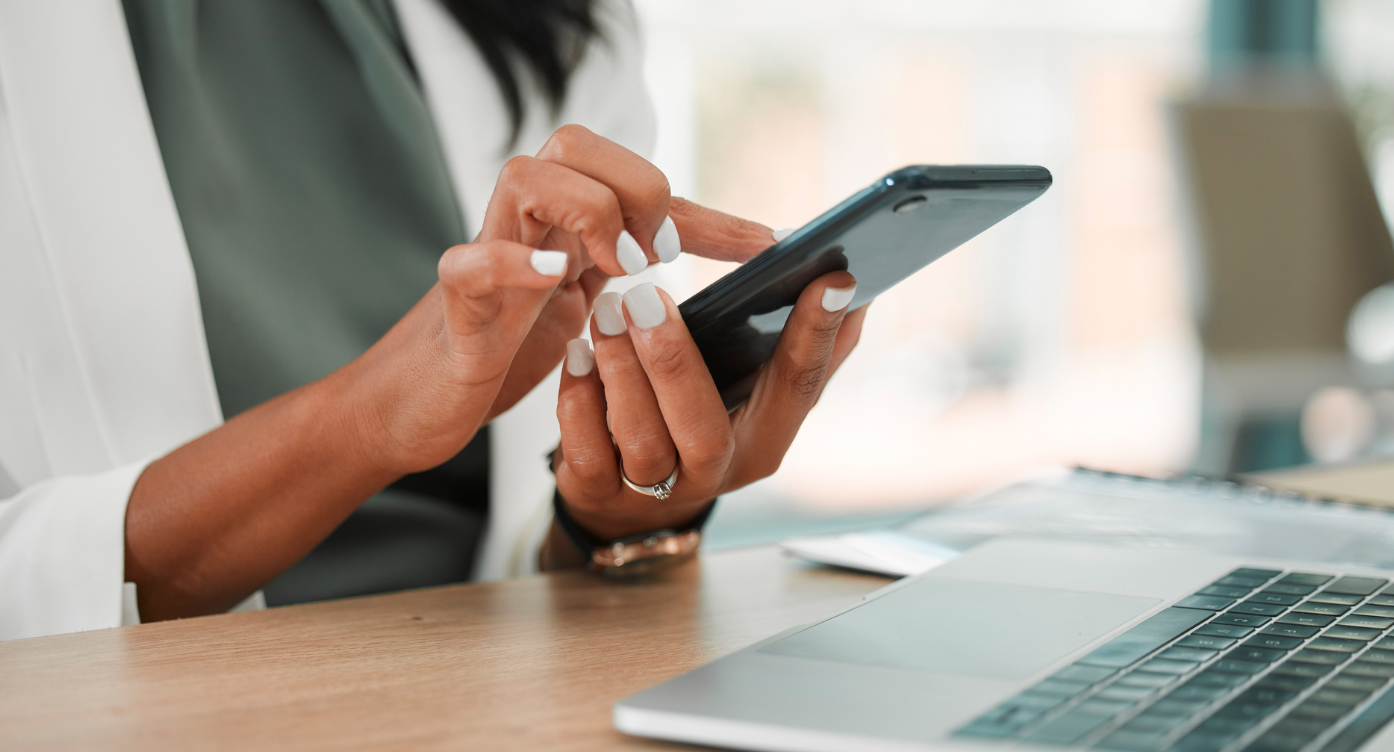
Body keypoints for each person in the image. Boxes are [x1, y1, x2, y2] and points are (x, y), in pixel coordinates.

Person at [0, 0, 865, 639]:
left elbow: (537, 560)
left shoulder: (563, 21)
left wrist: (625, 510)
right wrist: (369, 419)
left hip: (474, 688)